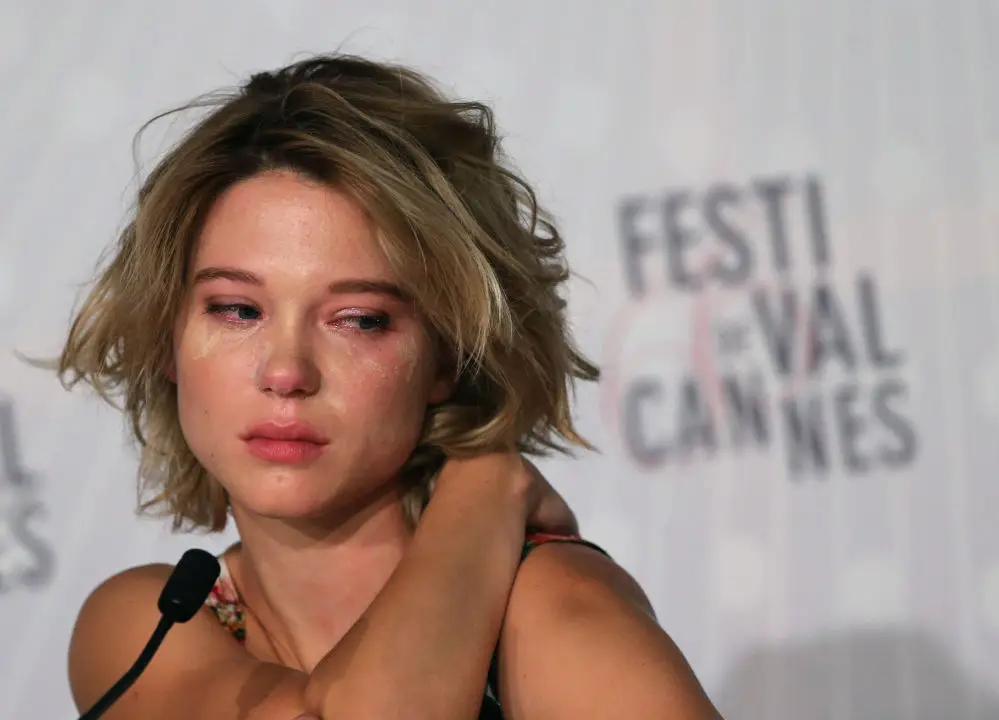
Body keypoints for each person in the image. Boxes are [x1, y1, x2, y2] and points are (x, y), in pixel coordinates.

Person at [60, 54, 722, 719]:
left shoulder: (560, 610)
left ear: (447, 356)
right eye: (237, 310)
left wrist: (485, 481)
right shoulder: (148, 626)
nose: (286, 373)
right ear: (167, 337)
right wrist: (489, 487)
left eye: (359, 320)